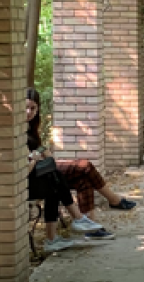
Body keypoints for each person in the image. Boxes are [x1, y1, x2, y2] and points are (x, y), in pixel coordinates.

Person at [26, 89, 115, 251]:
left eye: (33, 108)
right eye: (26, 107)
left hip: (38, 178)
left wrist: (38, 153)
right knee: (66, 173)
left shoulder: (30, 128)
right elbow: (26, 166)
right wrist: (36, 156)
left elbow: (44, 154)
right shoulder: (16, 130)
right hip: (24, 184)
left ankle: (58, 237)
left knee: (67, 180)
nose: (29, 112)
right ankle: (83, 219)